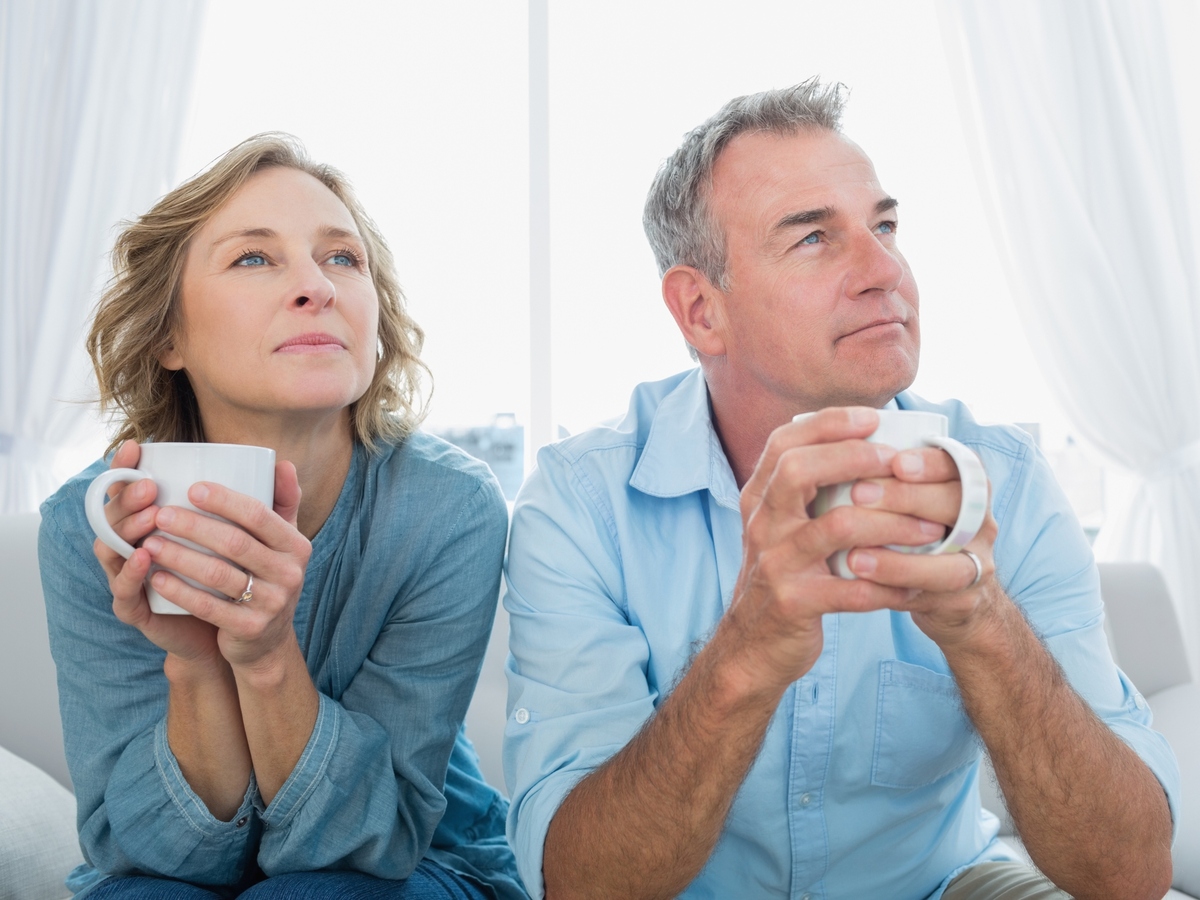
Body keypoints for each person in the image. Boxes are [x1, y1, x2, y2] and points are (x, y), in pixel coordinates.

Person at [502, 80, 1179, 899]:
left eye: (885, 226)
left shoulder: (1010, 481)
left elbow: (1129, 875)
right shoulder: (582, 504)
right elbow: (579, 885)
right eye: (815, 238)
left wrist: (982, 626)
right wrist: (747, 651)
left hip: (943, 886)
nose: (885, 270)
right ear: (700, 311)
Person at [39, 134, 525, 900]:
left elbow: (378, 842)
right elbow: (148, 854)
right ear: (168, 335)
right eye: (254, 258)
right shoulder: (91, 524)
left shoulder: (448, 510)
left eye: (343, 258)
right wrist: (197, 661)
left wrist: (265, 659)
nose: (317, 287)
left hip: (422, 858)